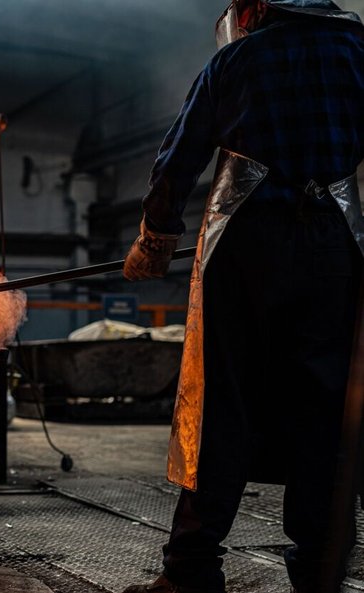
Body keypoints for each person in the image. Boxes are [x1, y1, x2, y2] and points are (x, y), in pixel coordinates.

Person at [121, 1, 364, 592]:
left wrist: (156, 236)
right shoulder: (362, 54)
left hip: (247, 244)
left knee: (221, 403)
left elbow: (179, 156)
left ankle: (191, 572)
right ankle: (320, 572)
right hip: (334, 248)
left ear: (257, 7)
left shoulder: (238, 58)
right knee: (328, 414)